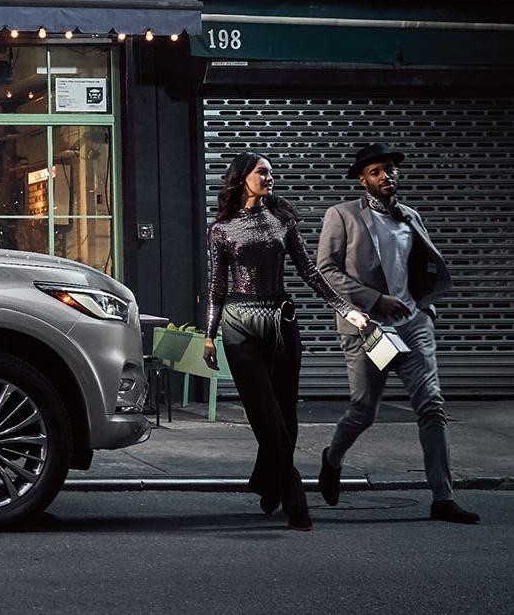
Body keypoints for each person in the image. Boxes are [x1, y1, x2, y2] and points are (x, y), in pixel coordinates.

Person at [202, 152, 368, 531]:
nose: (269, 177)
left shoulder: (282, 221)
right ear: (243, 177)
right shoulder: (221, 229)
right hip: (238, 325)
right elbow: (216, 286)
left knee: (286, 417)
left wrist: (347, 309)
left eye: (271, 173)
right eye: (262, 172)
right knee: (266, 417)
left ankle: (267, 482)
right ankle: (296, 501)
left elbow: (309, 271)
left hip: (281, 322)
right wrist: (209, 337)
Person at [314, 143, 479, 524]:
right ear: (362, 179)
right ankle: (332, 458)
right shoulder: (341, 215)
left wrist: (426, 307)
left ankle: (443, 497)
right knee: (363, 410)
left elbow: (422, 266)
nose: (386, 176)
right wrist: (376, 300)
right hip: (369, 328)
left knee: (432, 406)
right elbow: (326, 270)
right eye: (376, 171)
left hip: (413, 325)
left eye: (389, 170)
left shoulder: (410, 217)